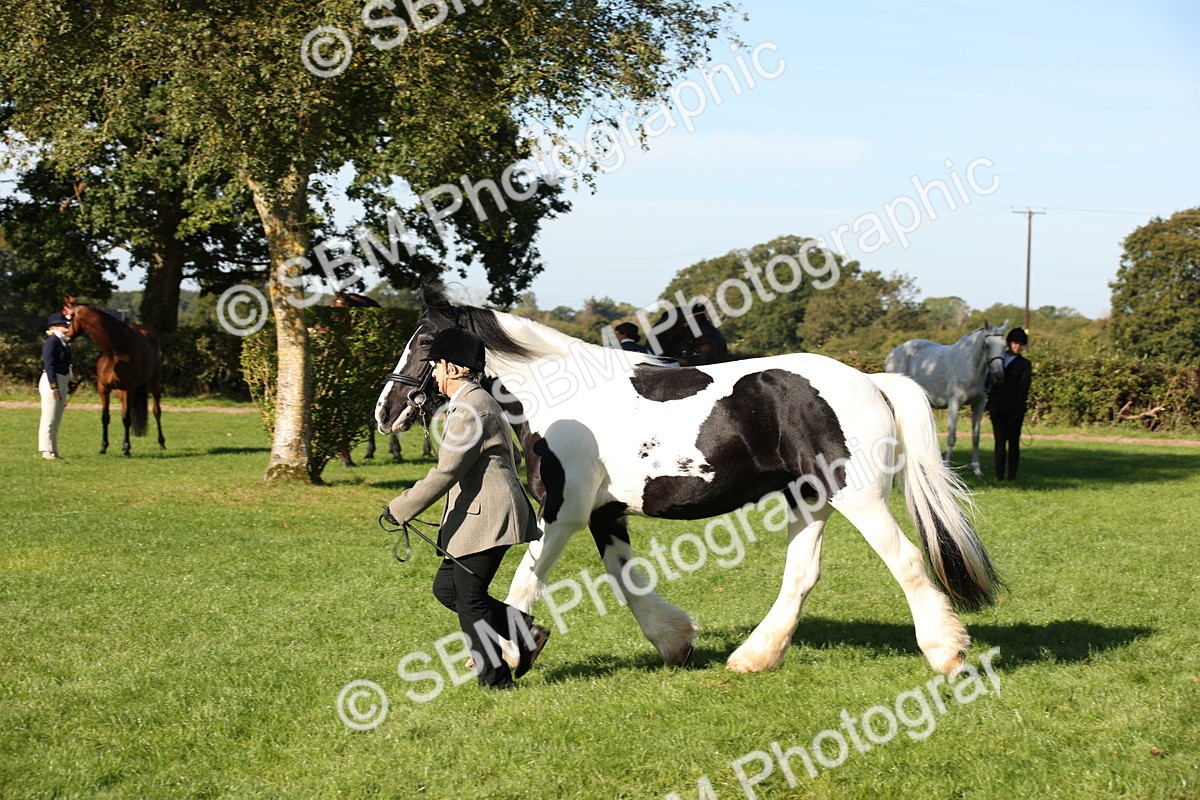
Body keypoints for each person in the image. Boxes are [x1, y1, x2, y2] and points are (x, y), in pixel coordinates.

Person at [385, 327, 549, 689]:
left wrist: (401, 508)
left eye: (437, 366)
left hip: (489, 516)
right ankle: (525, 633)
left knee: (470, 599)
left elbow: (447, 471)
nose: (434, 374)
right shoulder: (474, 402)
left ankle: (496, 681)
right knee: (447, 590)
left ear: (456, 368)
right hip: (483, 513)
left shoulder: (470, 409)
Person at [987, 326, 1032, 481]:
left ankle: (1012, 475)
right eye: (1015, 343)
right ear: (1009, 343)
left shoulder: (1024, 364)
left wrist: (1020, 409)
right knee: (999, 441)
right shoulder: (997, 360)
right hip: (997, 407)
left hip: (1014, 409)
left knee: (1013, 442)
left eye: (1020, 344)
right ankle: (999, 475)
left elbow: (1023, 388)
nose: (1017, 346)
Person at [39, 311, 75, 460]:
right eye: (62, 324)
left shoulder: (63, 342)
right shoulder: (52, 341)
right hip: (52, 380)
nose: (66, 326)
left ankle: (53, 449)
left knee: (56, 418)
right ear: (54, 327)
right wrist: (54, 386)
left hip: (63, 379)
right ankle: (46, 450)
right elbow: (49, 364)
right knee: (49, 417)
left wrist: (70, 381)